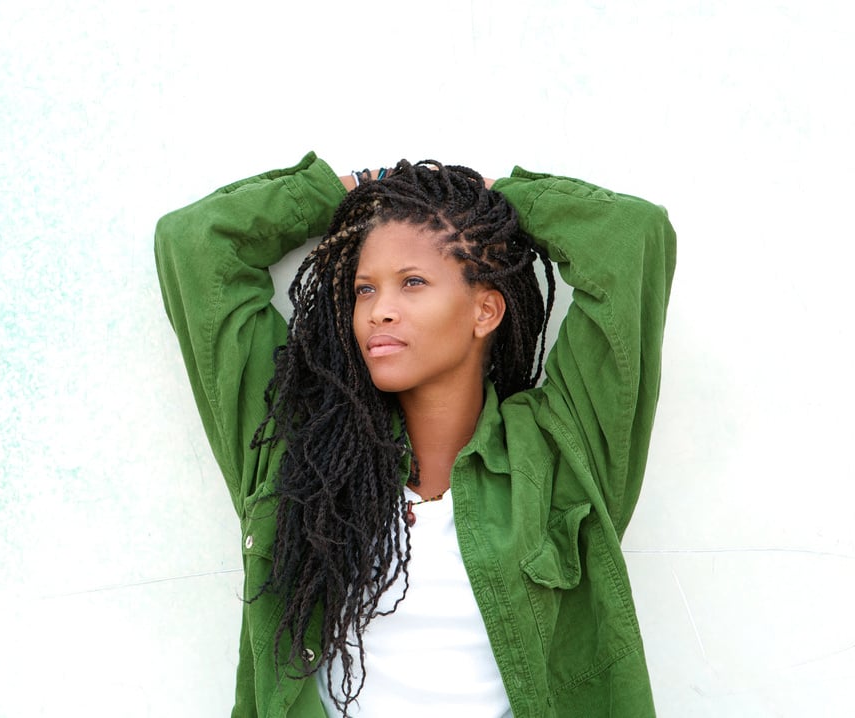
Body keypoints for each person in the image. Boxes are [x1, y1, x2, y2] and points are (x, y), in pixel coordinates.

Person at [154, 152, 675, 717]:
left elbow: (631, 235)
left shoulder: (558, 451)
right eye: (365, 290)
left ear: (486, 310)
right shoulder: (298, 450)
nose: (380, 310)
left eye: (413, 282)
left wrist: (492, 197)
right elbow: (194, 244)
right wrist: (346, 191)